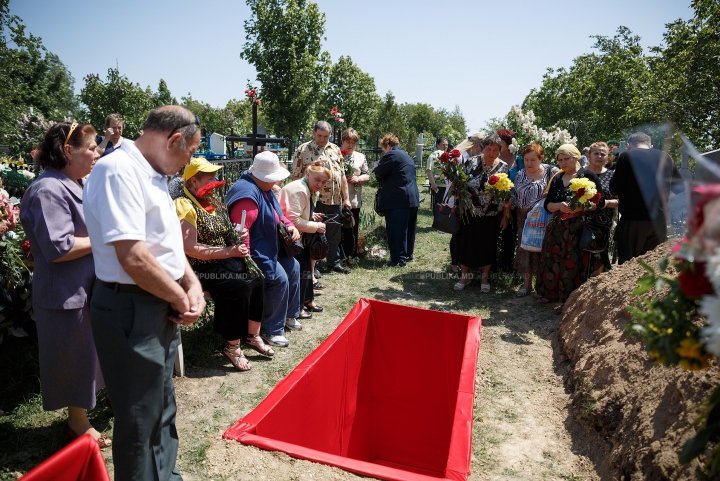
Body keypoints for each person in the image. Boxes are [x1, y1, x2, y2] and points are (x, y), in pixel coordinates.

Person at [83, 105, 207, 481]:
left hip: (154, 303)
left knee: (161, 407)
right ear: (172, 139)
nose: (189, 162)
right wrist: (179, 296)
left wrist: (192, 283)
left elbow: (164, 245)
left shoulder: (152, 173)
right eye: (189, 152)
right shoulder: (118, 170)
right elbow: (133, 257)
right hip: (131, 306)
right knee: (139, 421)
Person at [20, 121, 109, 448]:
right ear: (67, 151)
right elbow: (58, 249)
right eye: (90, 147)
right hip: (65, 294)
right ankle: (77, 423)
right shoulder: (48, 189)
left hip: (82, 290)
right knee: (74, 358)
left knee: (88, 355)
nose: (96, 153)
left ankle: (90, 409)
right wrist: (102, 239)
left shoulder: (71, 182)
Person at [175, 157, 271, 371]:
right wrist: (228, 252)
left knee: (257, 277)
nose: (215, 180)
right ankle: (231, 346)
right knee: (236, 286)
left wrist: (236, 235)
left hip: (221, 261)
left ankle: (252, 336)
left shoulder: (212, 201)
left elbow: (223, 232)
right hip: (196, 268)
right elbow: (189, 247)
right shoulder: (184, 203)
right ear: (194, 182)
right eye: (209, 177)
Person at [227, 151, 303, 347]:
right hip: (256, 253)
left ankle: (288, 316)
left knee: (293, 267)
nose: (277, 182)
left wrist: (290, 225)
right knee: (279, 279)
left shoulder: (264, 189)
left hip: (270, 247)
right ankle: (271, 329)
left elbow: (277, 216)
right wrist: (249, 265)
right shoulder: (247, 196)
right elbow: (240, 234)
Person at [536, 144, 606, 312]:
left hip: (577, 228)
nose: (563, 163)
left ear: (575, 157)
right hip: (557, 227)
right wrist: (559, 205)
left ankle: (568, 301)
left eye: (566, 159)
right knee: (551, 258)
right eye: (560, 160)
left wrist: (581, 207)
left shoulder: (587, 175)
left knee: (572, 263)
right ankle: (550, 294)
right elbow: (547, 205)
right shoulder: (558, 178)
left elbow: (600, 201)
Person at [610, 131, 684, 264]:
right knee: (650, 267)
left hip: (633, 221)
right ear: (650, 146)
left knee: (628, 267)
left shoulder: (626, 156)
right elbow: (679, 187)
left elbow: (614, 189)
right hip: (658, 222)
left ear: (628, 145)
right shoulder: (665, 156)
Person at [292, 121, 351, 274]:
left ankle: (334, 262)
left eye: (326, 136)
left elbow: (342, 175)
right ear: (313, 133)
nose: (323, 139)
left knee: (334, 233)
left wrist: (346, 199)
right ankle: (314, 266)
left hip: (335, 199)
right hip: (314, 200)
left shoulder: (335, 149)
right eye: (320, 136)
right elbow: (296, 176)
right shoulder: (304, 149)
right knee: (314, 233)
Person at [454, 134, 509, 292]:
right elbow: (461, 185)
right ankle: (464, 277)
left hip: (492, 215)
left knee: (488, 245)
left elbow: (506, 193)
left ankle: (484, 278)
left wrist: (505, 215)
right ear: (483, 148)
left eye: (495, 150)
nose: (491, 153)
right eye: (488, 149)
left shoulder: (504, 167)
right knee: (467, 244)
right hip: (471, 213)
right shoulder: (471, 162)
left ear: (500, 151)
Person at [279, 162, 330, 316]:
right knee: (302, 271)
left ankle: (307, 299)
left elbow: (297, 213)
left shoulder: (305, 186)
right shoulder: (300, 190)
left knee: (307, 269)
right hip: (292, 238)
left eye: (323, 182)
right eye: (317, 180)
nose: (320, 184)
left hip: (301, 238)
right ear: (308, 174)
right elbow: (292, 221)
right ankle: (299, 307)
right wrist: (316, 226)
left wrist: (311, 216)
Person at [511, 143, 559, 297]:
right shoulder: (520, 174)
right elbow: (514, 193)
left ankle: (540, 285)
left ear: (541, 158)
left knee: (541, 249)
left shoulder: (551, 173)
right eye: (526, 160)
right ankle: (526, 285)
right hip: (523, 217)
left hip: (542, 217)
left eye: (533, 160)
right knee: (525, 249)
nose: (529, 164)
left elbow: (560, 190)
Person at [373, 133, 420, 267]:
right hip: (412, 198)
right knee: (409, 229)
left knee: (396, 230)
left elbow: (379, 173)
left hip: (398, 199)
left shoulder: (391, 155)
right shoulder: (406, 155)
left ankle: (398, 260)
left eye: (383, 149)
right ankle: (408, 254)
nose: (384, 152)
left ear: (387, 145)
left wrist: (376, 165)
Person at [446, 133, 485, 276]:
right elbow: (451, 178)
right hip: (457, 199)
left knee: (460, 233)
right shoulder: (459, 156)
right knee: (457, 233)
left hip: (464, 200)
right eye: (482, 148)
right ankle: (455, 265)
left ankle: (459, 264)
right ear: (476, 146)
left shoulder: (466, 155)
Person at [585, 141, 619, 275]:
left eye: (602, 154)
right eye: (596, 153)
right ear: (589, 155)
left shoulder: (612, 176)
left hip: (602, 223)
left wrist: (607, 203)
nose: (599, 156)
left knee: (599, 256)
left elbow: (619, 200)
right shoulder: (581, 173)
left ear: (608, 157)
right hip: (581, 221)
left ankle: (595, 287)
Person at [496, 129, 525, 273]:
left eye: (500, 142)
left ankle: (507, 266)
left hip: (514, 206)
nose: (497, 145)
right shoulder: (492, 158)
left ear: (508, 144)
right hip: (494, 205)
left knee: (510, 237)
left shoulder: (519, 160)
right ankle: (490, 265)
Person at [340, 128, 370, 264]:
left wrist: (358, 179)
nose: (350, 145)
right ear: (343, 141)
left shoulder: (360, 157)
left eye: (353, 143)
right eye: (348, 142)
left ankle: (351, 254)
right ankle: (337, 256)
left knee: (352, 227)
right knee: (337, 228)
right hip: (337, 198)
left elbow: (367, 175)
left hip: (354, 198)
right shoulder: (336, 154)